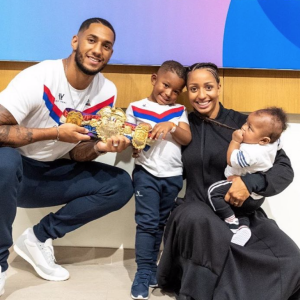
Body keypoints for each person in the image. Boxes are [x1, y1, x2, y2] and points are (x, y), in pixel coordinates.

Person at [0, 17, 134, 296]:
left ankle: (37, 238)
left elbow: (77, 152)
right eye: (92, 40)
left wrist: (100, 148)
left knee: (121, 184)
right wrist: (55, 133)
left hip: (53, 175)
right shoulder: (39, 76)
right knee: (4, 160)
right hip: (16, 175)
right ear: (76, 41)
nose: (98, 50)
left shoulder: (106, 91)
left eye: (106, 45)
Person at [157, 63, 300, 300]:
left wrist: (250, 184)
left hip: (241, 216)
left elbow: (283, 169)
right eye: (193, 89)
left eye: (208, 87)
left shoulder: (245, 125)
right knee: (203, 226)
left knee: (290, 258)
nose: (202, 95)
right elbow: (161, 167)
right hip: (195, 213)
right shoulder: (181, 127)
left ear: (219, 87)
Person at [126, 60, 192, 300]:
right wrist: (137, 135)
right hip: (146, 173)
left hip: (173, 175)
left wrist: (171, 126)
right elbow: (129, 141)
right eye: (165, 85)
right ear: (154, 79)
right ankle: (143, 271)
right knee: (147, 223)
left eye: (176, 91)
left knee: (161, 224)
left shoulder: (178, 111)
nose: (169, 93)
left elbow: (186, 138)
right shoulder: (135, 107)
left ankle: (153, 268)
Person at [208, 107, 287, 246]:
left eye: (249, 128)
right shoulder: (274, 143)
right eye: (246, 122)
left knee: (213, 192)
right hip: (256, 198)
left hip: (243, 190)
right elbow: (278, 143)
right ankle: (243, 228)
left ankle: (230, 221)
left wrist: (235, 141)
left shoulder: (251, 153)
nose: (243, 127)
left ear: (263, 140)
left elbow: (231, 159)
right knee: (242, 212)